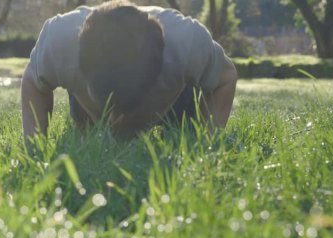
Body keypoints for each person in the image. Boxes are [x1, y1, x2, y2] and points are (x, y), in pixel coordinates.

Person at [21, 0, 237, 139]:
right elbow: (33, 81)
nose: (117, 118)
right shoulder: (59, 41)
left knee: (182, 126)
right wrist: (34, 146)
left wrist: (207, 141)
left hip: (173, 98)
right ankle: (91, 114)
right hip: (86, 104)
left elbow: (225, 78)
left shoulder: (187, 42)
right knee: (86, 130)